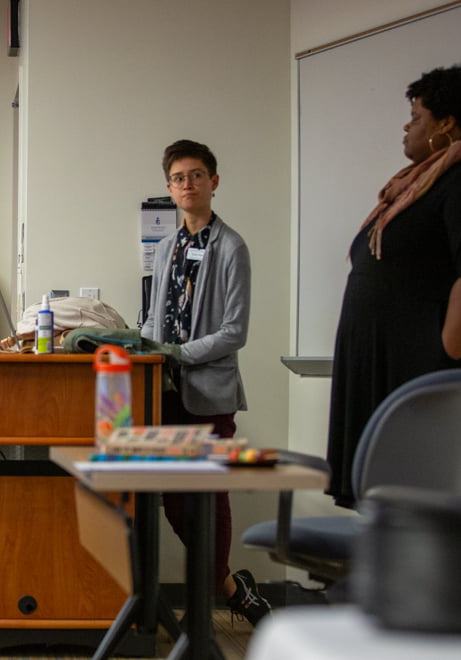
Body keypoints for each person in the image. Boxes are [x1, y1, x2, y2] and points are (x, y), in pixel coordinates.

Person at [326, 65, 461, 508]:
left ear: (446, 123)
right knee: (394, 513)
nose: (407, 125)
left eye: (416, 116)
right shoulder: (423, 183)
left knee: (437, 513)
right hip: (399, 373)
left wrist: (442, 367)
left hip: (432, 379)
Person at [140, 140, 269, 625]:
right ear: (168, 188)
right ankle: (229, 585)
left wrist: (176, 353)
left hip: (209, 395)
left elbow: (235, 332)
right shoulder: (169, 245)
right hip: (166, 392)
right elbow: (156, 318)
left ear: (213, 182)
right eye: (178, 178)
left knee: (208, 497)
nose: (187, 185)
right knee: (173, 498)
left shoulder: (232, 247)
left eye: (196, 176)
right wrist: (140, 346)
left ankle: (216, 588)